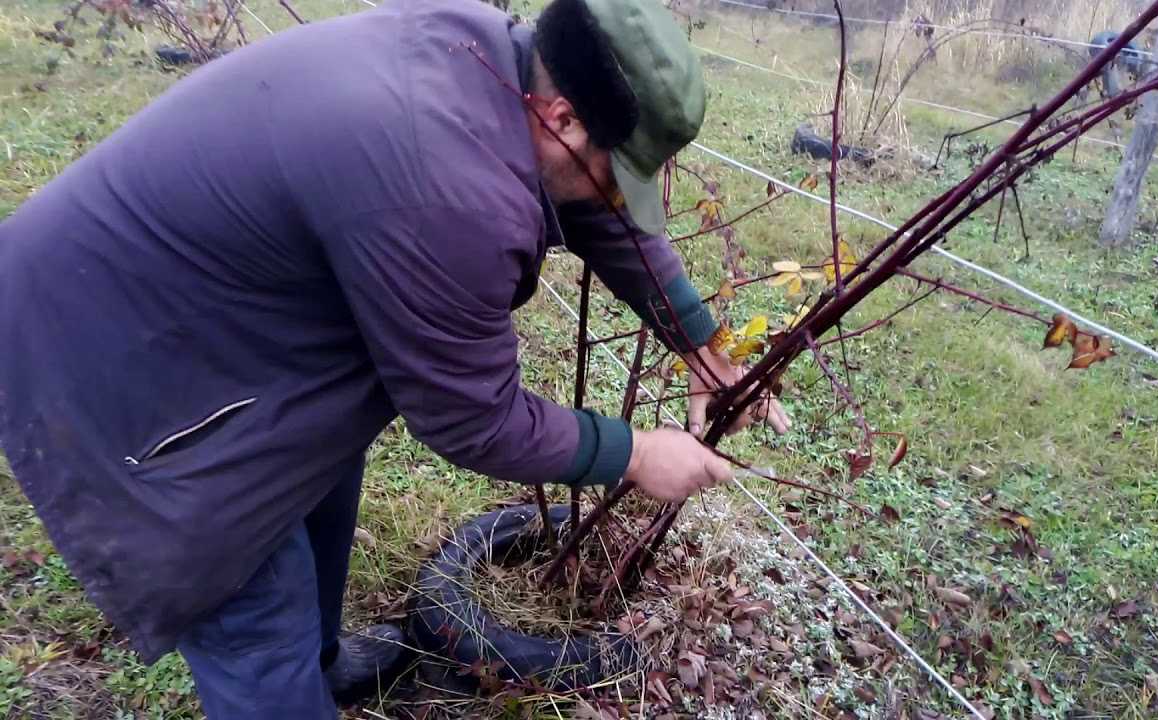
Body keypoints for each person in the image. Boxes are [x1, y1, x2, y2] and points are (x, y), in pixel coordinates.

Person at [0, 0, 789, 716]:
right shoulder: (444, 188)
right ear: (563, 118)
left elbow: (596, 208)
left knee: (319, 463)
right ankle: (289, 685)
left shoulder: (486, 58)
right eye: (617, 176)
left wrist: (700, 344)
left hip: (217, 313)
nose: (617, 198)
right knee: (250, 608)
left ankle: (321, 663)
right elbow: (473, 418)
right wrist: (636, 453)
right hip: (116, 354)